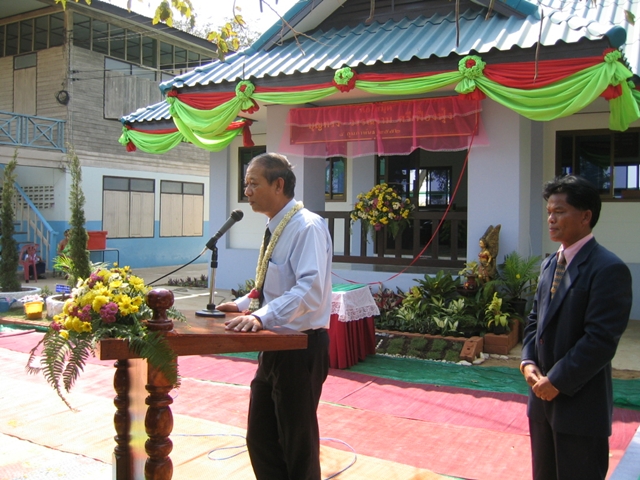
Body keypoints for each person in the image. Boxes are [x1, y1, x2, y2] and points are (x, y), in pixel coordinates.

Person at [216, 152, 332, 480]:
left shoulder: (306, 227)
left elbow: (309, 290)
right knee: (261, 438)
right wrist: (242, 305)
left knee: (297, 443)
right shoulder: (276, 225)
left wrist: (261, 318)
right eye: (246, 184)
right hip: (274, 344)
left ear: (278, 185)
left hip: (300, 346)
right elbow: (270, 284)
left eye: (253, 184)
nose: (247, 192)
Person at [520, 175, 632, 480]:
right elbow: (534, 320)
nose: (551, 219)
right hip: (541, 403)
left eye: (559, 211)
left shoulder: (608, 269)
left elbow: (600, 340)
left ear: (585, 216)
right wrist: (527, 361)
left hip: (580, 406)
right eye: (549, 212)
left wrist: (556, 380)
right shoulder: (549, 264)